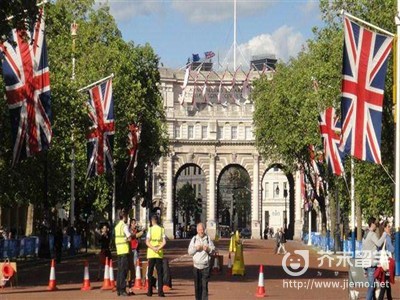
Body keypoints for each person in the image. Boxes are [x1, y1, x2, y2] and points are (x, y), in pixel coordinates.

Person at [362, 217, 387, 300]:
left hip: (366, 263)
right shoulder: (372, 234)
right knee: (372, 286)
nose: (376, 225)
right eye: (376, 224)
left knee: (372, 285)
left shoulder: (365, 235)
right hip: (371, 263)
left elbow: (363, 250)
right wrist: (384, 234)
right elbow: (379, 243)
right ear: (372, 224)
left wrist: (364, 269)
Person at [188, 223, 215, 300]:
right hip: (196, 266)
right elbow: (189, 252)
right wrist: (196, 248)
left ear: (204, 230)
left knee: (204, 286)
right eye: (199, 230)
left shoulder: (208, 239)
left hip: (205, 266)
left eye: (202, 229)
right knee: (197, 286)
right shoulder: (194, 239)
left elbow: (213, 250)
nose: (201, 231)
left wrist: (208, 249)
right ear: (197, 230)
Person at [146, 214, 166, 297]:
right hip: (159, 253)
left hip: (151, 253)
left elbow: (147, 242)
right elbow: (164, 242)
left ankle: (150, 291)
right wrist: (158, 248)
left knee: (150, 273)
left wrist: (153, 248)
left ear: (152, 221)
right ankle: (160, 292)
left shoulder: (150, 230)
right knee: (160, 273)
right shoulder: (161, 229)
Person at [115, 210, 134, 297]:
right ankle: (123, 289)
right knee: (124, 271)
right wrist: (126, 239)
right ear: (124, 217)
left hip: (118, 250)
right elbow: (129, 237)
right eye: (126, 217)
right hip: (124, 251)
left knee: (119, 271)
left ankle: (118, 289)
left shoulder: (117, 226)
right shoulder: (124, 226)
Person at [377, 221, 394, 300]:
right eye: (388, 227)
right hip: (386, 263)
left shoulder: (381, 236)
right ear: (384, 228)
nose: (389, 228)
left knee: (386, 283)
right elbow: (391, 249)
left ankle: (389, 298)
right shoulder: (387, 237)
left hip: (382, 262)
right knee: (385, 284)